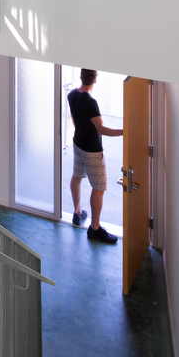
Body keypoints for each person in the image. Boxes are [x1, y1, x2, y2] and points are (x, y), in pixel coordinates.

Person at [68, 69, 123, 244]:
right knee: (98, 188)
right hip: (92, 150)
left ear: (80, 77)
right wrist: (125, 131)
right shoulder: (90, 102)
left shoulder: (72, 95)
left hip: (78, 143)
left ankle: (77, 212)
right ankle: (95, 228)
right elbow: (102, 129)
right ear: (95, 80)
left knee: (77, 176)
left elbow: (76, 120)